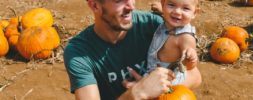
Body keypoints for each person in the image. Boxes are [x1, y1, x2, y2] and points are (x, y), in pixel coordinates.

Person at [63, 0, 201, 100]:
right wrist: (137, 93)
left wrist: (161, 88)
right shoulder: (79, 53)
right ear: (95, 5)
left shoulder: (152, 25)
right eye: (120, 1)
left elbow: (195, 76)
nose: (131, 6)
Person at [146, 0, 200, 85]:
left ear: (194, 13)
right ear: (163, 4)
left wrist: (191, 59)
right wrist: (162, 10)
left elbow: (189, 67)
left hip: (168, 79)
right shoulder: (170, 21)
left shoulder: (185, 37)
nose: (177, 11)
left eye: (185, 8)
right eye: (171, 5)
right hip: (153, 69)